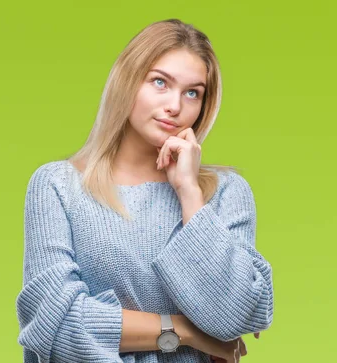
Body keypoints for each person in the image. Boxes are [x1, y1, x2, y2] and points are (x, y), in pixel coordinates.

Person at [15, 18, 274, 363]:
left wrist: (189, 193)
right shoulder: (58, 186)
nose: (175, 106)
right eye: (160, 82)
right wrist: (188, 332)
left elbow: (235, 315)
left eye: (192, 92)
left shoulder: (225, 193)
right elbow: (55, 327)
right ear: (127, 81)